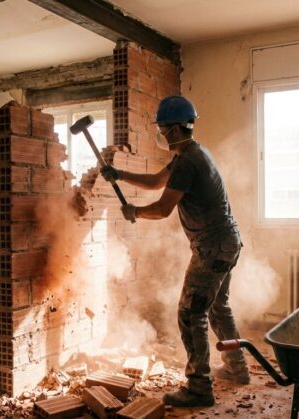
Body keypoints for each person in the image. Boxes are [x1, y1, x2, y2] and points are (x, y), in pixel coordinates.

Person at [100, 95, 250, 407]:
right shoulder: (191, 154)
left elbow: (163, 208)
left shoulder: (188, 161)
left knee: (189, 312)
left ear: (175, 129)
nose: (160, 133)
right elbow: (157, 181)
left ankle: (198, 387)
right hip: (227, 243)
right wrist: (121, 175)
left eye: (163, 128)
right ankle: (238, 368)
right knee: (218, 307)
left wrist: (136, 213)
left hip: (212, 247)